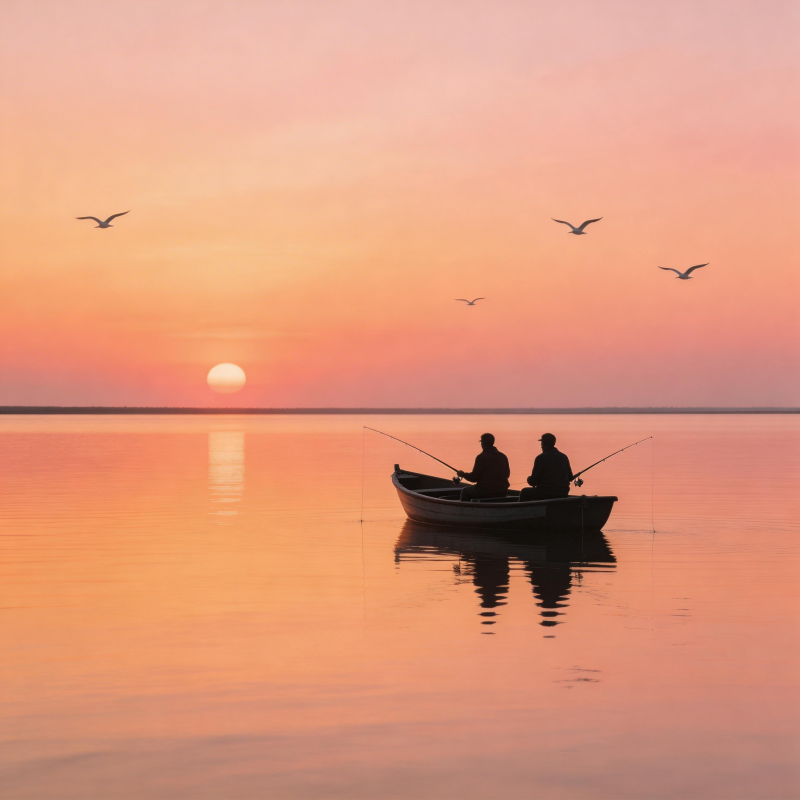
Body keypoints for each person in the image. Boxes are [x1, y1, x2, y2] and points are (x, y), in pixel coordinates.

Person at [519, 433, 573, 501]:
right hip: (563, 493)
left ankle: (521, 511)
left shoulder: (541, 458)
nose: (541, 445)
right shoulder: (564, 457)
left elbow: (533, 482)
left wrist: (528, 479)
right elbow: (570, 477)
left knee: (524, 492)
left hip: (547, 493)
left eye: (541, 443)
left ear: (543, 444)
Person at [457, 433, 510, 501]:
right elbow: (507, 475)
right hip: (502, 491)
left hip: (486, 491)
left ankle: (464, 510)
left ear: (483, 443)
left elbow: (474, 477)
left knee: (465, 491)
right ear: (493, 442)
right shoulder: (503, 456)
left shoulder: (481, 457)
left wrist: (463, 474)